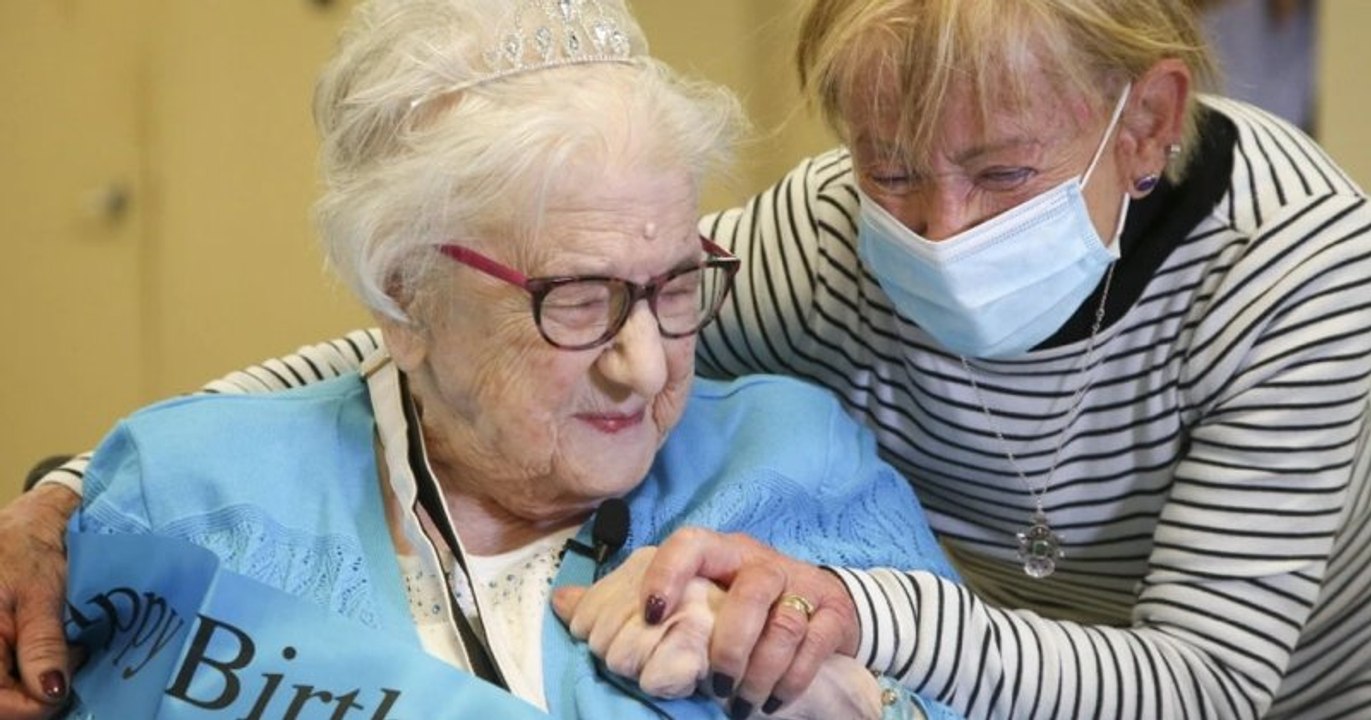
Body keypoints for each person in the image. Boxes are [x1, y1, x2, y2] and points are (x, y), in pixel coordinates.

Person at [5, 0, 1371, 717]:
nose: (935, 231)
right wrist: (81, 490)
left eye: (1002, 175)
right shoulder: (820, 242)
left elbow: (1201, 686)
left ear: (1143, 128)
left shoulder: (1301, 279)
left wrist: (843, 626)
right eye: (890, 169)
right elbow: (430, 333)